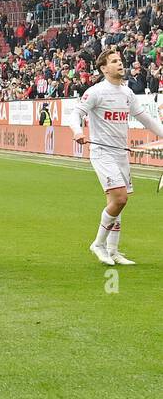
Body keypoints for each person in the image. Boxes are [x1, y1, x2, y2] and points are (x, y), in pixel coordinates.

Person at [72, 47, 163, 266]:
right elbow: (76, 113)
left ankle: (113, 250)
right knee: (120, 198)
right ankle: (98, 244)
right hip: (102, 153)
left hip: (121, 153)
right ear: (103, 68)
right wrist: (77, 131)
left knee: (117, 202)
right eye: (114, 61)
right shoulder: (96, 92)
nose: (120, 64)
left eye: (120, 60)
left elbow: (147, 120)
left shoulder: (127, 93)